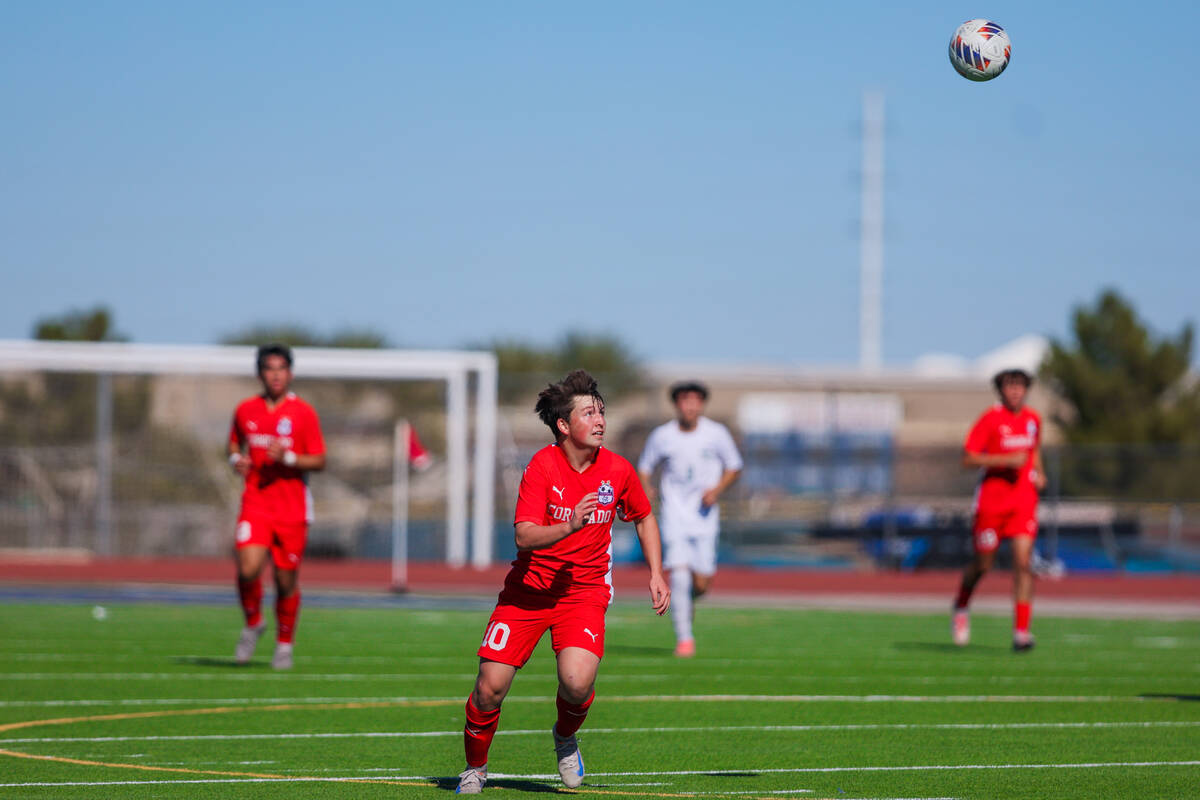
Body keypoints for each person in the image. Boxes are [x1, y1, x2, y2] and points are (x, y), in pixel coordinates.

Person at [455, 370, 670, 794]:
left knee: (576, 682)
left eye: (602, 411)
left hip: (583, 593)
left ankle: (565, 737)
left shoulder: (618, 470)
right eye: (589, 413)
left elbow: (644, 516)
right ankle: (476, 769)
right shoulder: (541, 465)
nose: (601, 420)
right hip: (527, 594)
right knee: (489, 689)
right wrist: (570, 524)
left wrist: (656, 572)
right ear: (564, 426)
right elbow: (524, 534)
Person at [228, 344, 326, 670]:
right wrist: (235, 459)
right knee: (248, 568)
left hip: (292, 508)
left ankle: (284, 644)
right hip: (256, 501)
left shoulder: (304, 413)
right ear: (260, 374)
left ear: (290, 373)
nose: (275, 374)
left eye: (281, 368)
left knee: (285, 582)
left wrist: (288, 457)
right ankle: (253, 621)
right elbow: (233, 444)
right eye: (269, 368)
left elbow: (320, 459)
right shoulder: (245, 410)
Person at [638, 381, 743, 658]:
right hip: (675, 515)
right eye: (685, 400)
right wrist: (647, 487)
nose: (690, 406)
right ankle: (685, 639)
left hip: (705, 518)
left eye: (695, 400)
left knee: (701, 583)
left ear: (702, 404)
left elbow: (734, 466)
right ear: (677, 405)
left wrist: (717, 490)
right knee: (680, 576)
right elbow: (645, 468)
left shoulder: (716, 433)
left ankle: (690, 599)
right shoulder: (662, 436)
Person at [952, 368, 1045, 652]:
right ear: (1000, 390)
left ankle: (1021, 632)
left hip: (1023, 503)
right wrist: (1004, 460)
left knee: (1023, 563)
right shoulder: (990, 419)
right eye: (1009, 386)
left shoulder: (1033, 419)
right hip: (991, 504)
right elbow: (968, 459)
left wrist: (1039, 473)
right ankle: (961, 604)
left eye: (1020, 386)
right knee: (984, 564)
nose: (1015, 391)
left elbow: (1035, 451)